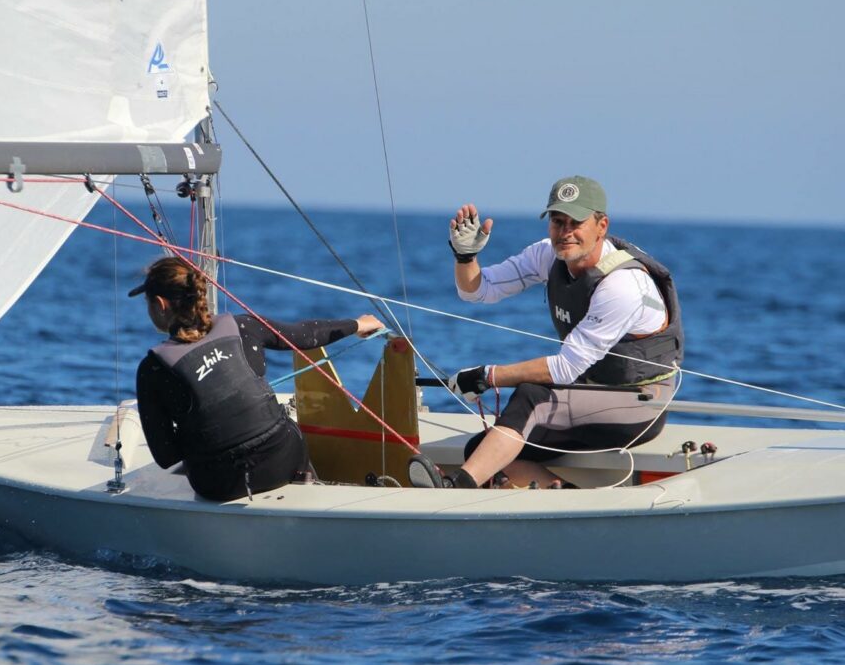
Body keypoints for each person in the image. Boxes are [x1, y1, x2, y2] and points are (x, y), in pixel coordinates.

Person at [409, 175, 684, 489]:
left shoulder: (622, 285)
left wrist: (487, 376)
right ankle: (571, 498)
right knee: (481, 450)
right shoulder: (547, 255)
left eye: (576, 223)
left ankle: (455, 488)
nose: (565, 233)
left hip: (639, 407)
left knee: (532, 396)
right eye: (557, 222)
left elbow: (564, 368)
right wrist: (465, 256)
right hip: (587, 395)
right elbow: (479, 290)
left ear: (601, 226)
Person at [131, 256, 385, 501]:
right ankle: (311, 487)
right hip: (283, 461)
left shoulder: (153, 368)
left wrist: (204, 429)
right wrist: (356, 324)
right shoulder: (242, 327)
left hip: (221, 484)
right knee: (281, 428)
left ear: (160, 305)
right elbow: (305, 334)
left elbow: (166, 456)